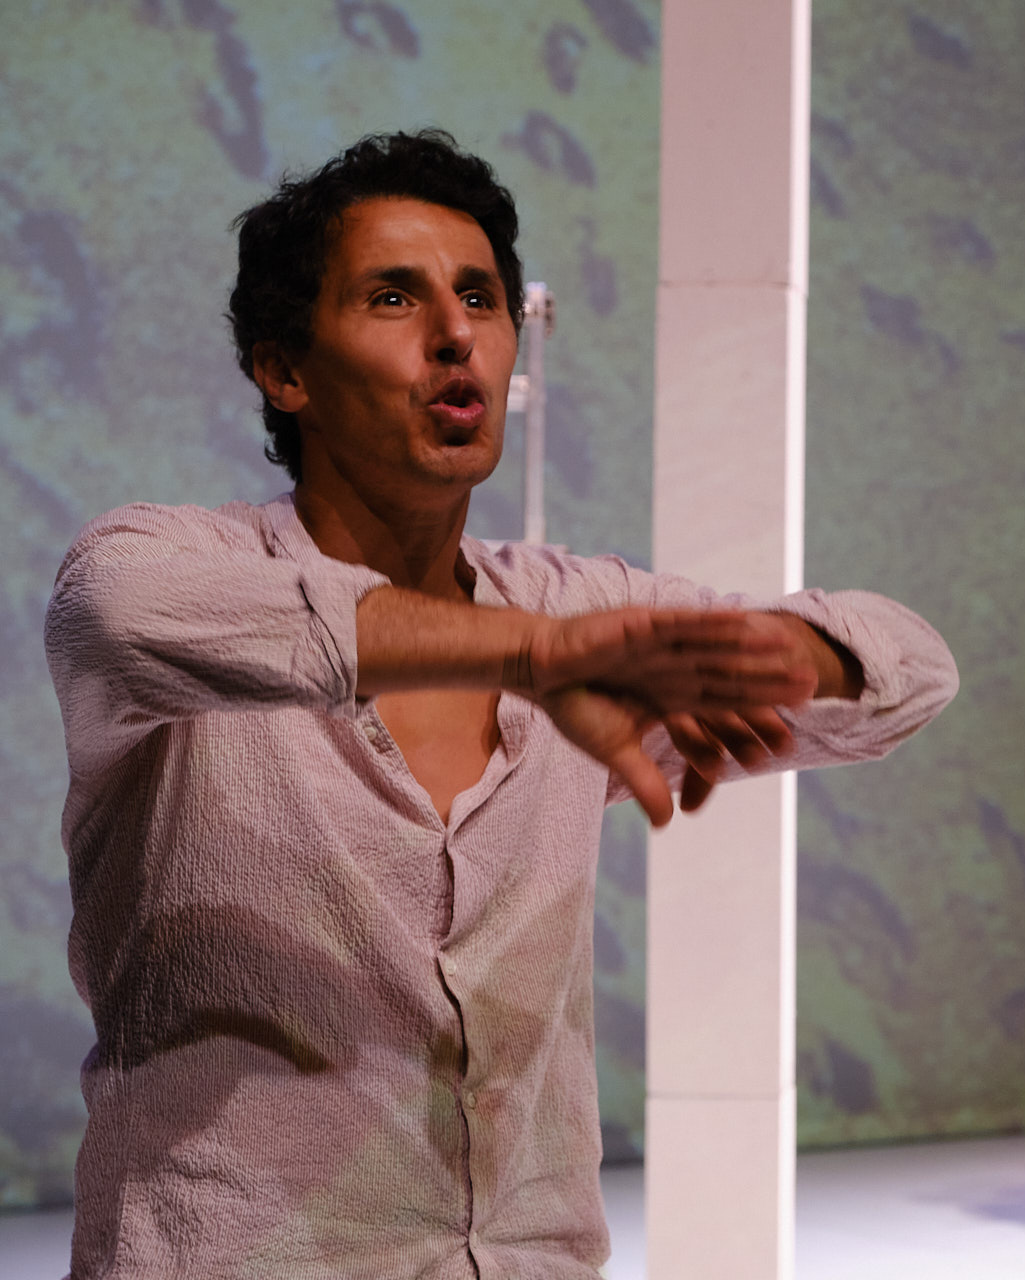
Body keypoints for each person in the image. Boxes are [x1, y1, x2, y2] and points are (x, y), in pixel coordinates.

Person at [44, 131, 958, 1279]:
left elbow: (909, 665)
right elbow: (116, 610)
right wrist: (541, 654)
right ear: (285, 370)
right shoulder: (173, 565)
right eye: (393, 297)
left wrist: (748, 652)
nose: (455, 333)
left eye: (479, 296)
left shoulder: (577, 608)